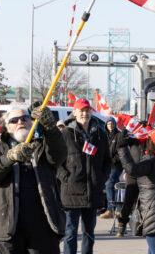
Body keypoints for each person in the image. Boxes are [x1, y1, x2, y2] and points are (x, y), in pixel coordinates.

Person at [0, 107, 67, 254]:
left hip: (44, 225)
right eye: (14, 120)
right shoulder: (0, 147)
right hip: (9, 227)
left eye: (24, 118)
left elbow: (59, 155)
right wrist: (9, 157)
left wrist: (51, 128)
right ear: (7, 127)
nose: (20, 122)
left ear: (31, 121)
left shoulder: (42, 143)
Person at [59, 98, 111, 254]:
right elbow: (56, 162)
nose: (84, 114)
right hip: (71, 191)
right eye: (81, 110)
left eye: (87, 110)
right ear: (74, 112)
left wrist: (101, 178)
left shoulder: (100, 134)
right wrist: (65, 178)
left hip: (93, 191)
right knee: (70, 232)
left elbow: (107, 160)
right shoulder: (66, 133)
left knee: (89, 233)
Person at [116, 124, 148, 237]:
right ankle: (121, 225)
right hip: (133, 174)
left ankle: (141, 225)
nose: (143, 131)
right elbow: (121, 144)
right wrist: (124, 132)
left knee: (144, 202)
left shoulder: (150, 140)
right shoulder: (134, 139)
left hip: (146, 175)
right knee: (128, 201)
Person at [100, 118, 122, 220]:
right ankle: (118, 209)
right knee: (114, 185)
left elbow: (120, 152)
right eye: (108, 123)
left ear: (115, 124)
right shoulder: (104, 135)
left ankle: (110, 209)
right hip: (106, 164)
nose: (110, 125)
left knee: (109, 184)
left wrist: (111, 159)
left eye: (112, 123)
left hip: (116, 164)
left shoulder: (118, 135)